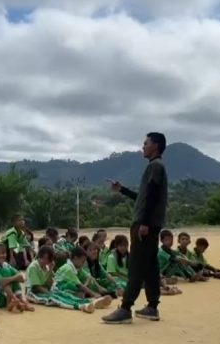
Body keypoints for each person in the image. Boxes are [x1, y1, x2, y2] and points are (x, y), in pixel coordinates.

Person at [103, 132, 168, 324]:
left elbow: (153, 196)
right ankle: (152, 307)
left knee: (136, 266)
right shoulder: (156, 166)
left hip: (145, 225)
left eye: (145, 143)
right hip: (149, 224)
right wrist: (122, 189)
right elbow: (143, 197)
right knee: (150, 266)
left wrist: (145, 223)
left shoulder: (155, 166)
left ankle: (124, 309)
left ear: (155, 146)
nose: (143, 146)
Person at [25, 245, 95, 313]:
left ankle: (86, 303)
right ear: (39, 256)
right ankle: (79, 306)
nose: (46, 261)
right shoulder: (33, 267)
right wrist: (49, 293)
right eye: (44, 258)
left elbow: (49, 284)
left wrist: (50, 270)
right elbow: (36, 287)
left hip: (44, 290)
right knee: (55, 299)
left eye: (48, 259)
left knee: (62, 295)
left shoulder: (46, 267)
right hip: (33, 293)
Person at [0, 243, 34, 313]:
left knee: (9, 274)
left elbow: (21, 278)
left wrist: (16, 277)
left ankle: (21, 300)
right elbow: (2, 282)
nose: (2, 255)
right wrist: (15, 277)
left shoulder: (5, 264)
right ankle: (12, 301)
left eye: (3, 253)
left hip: (1, 296)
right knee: (6, 274)